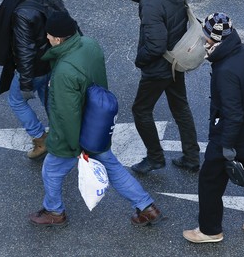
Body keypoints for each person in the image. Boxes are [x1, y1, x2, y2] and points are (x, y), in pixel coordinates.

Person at [29, 12, 162, 227]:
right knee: (111, 165)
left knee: (51, 170)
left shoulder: (64, 71)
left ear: (58, 39)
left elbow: (67, 115)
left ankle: (54, 211)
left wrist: (75, 146)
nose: (47, 38)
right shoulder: (89, 44)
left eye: (49, 35)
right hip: (96, 124)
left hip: (77, 133)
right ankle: (146, 206)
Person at [183, 13, 244, 243]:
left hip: (231, 136)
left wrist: (226, 145)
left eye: (205, 35)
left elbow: (233, 113)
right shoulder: (243, 51)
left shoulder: (225, 69)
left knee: (209, 181)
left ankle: (209, 230)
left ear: (213, 39)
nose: (203, 39)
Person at [128, 0, 200, 174]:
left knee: (141, 110)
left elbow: (155, 46)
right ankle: (191, 157)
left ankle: (155, 158)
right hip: (176, 60)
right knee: (180, 107)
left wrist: (140, 60)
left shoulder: (151, 2)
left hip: (159, 67)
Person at [0, 0, 68, 159]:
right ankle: (60, 135)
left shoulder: (21, 12)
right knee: (49, 99)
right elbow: (65, 19)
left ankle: (40, 139)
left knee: (16, 101)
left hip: (35, 68)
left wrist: (26, 83)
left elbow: (25, 51)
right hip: (52, 61)